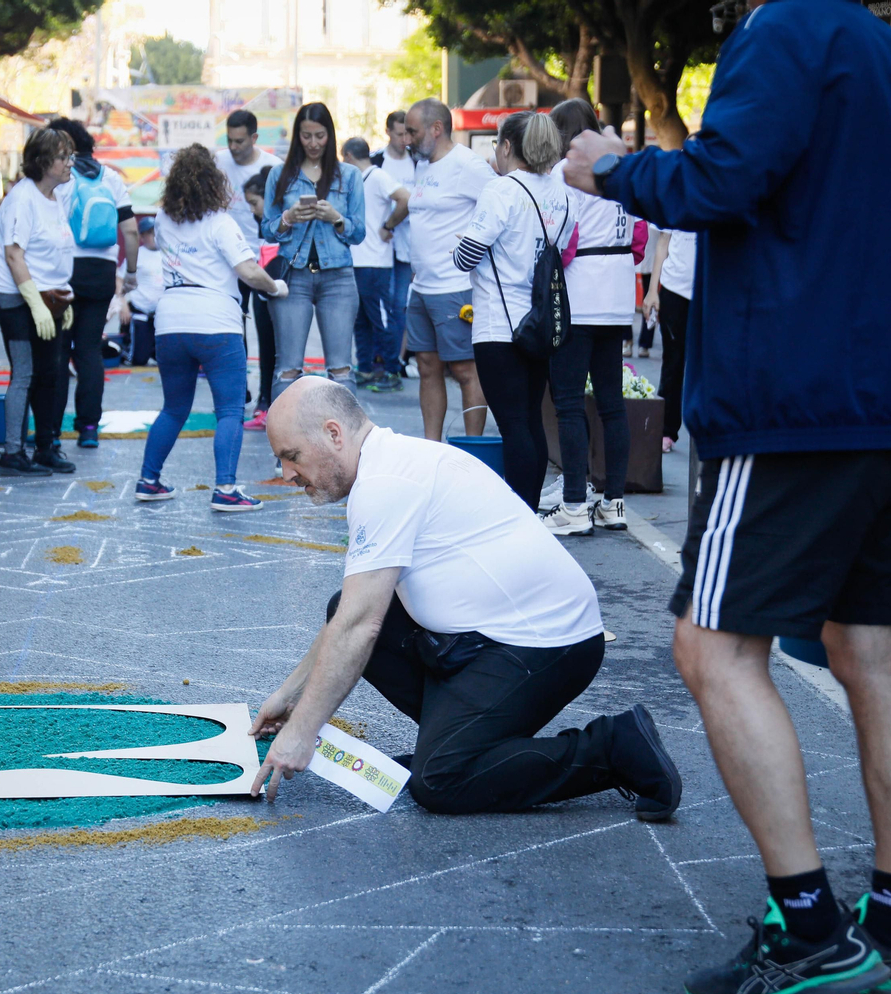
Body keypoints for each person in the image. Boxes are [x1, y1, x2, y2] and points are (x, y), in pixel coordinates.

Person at [564, 0, 891, 994]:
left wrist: (610, 166)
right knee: (873, 653)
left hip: (800, 398)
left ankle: (805, 923)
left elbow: (722, 179)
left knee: (713, 650)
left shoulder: (781, 34)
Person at [250, 377, 682, 819]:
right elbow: (351, 613)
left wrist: (302, 731)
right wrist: (291, 696)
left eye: (291, 456)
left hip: (551, 644)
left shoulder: (386, 483)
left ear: (333, 433)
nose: (286, 474)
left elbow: (360, 625)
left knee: (441, 781)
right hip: (493, 638)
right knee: (342, 607)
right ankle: (465, 746)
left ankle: (612, 747)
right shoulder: (391, 461)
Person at [134, 145, 287, 512]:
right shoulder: (221, 222)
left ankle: (148, 480)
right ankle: (226, 489)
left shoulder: (162, 219)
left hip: (170, 321)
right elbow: (248, 270)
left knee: (173, 409)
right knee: (230, 411)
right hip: (216, 321)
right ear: (214, 182)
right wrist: (276, 286)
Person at [451, 110, 575, 510]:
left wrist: (461, 245)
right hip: (538, 324)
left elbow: (466, 257)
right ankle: (531, 507)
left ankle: (521, 513)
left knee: (512, 424)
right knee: (531, 421)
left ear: (506, 146)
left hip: (498, 327)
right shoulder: (562, 193)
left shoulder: (501, 190)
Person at [542, 98, 641, 537]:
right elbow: (640, 237)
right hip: (618, 294)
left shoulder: (568, 176)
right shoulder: (621, 171)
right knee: (611, 403)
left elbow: (559, 241)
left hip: (580, 294)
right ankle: (613, 502)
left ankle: (576, 505)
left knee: (567, 403)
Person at [401, 98, 493, 441]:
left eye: (413, 131)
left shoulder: (468, 165)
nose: (406, 139)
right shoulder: (423, 165)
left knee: (466, 371)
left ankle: (472, 450)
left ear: (436, 129)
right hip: (421, 287)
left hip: (456, 287)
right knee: (427, 367)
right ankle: (431, 447)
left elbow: (499, 210)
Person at [0, 126, 76, 479]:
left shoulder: (56, 197)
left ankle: (45, 446)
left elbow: (54, 252)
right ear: (43, 162)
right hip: (15, 298)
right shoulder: (22, 199)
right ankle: (11, 453)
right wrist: (36, 305)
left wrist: (60, 299)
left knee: (51, 373)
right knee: (24, 373)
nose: (70, 162)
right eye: (63, 157)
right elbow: (14, 255)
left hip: (49, 297)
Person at [260, 102, 365, 397]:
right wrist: (287, 219)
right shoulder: (279, 174)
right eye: (306, 136)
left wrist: (337, 219)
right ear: (297, 136)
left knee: (341, 369)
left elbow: (359, 233)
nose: (314, 143)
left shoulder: (349, 176)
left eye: (319, 135)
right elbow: (267, 230)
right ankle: (285, 437)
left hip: (338, 276)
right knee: (288, 368)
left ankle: (346, 437)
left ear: (330, 134)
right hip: (293, 276)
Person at [49, 117, 137, 449]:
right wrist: (129, 275)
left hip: (65, 271)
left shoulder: (60, 180)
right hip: (102, 273)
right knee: (88, 351)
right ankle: (88, 428)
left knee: (59, 352)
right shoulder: (111, 178)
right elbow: (130, 231)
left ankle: (52, 431)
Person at [215, 109, 282, 419]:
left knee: (267, 329)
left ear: (254, 138)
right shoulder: (218, 162)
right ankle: (237, 389)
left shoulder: (274, 167)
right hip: (230, 260)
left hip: (267, 256)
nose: (233, 147)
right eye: (229, 140)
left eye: (240, 141)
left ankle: (267, 395)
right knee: (231, 328)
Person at [342, 137, 409, 390]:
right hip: (357, 261)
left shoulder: (378, 177)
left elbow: (405, 198)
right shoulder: (357, 180)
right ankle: (366, 368)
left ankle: (391, 371)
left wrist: (388, 225)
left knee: (381, 318)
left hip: (375, 262)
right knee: (360, 319)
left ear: (348, 156)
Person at [641, 226, 696, 453]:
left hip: (711, 289)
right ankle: (667, 430)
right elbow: (662, 241)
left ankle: (707, 429)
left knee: (708, 364)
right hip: (674, 287)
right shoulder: (678, 191)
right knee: (673, 361)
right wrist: (653, 290)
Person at [373, 110, 415, 390]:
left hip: (409, 246)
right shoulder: (378, 161)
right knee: (378, 304)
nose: (404, 139)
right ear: (388, 132)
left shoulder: (418, 161)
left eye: (408, 134)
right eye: (399, 133)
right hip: (378, 245)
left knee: (400, 305)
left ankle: (394, 362)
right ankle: (379, 358)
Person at [239, 169, 279, 427]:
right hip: (264, 281)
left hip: (276, 283)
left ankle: (272, 403)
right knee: (265, 345)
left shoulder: (281, 223)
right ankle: (265, 402)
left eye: (255, 203)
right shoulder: (263, 224)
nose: (253, 210)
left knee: (277, 348)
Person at [121, 214, 162, 367]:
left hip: (161, 315)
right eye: (151, 233)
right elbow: (119, 279)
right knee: (139, 360)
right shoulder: (137, 254)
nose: (155, 236)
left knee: (167, 358)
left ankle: (153, 349)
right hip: (141, 313)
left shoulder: (167, 253)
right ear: (143, 236)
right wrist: (122, 302)